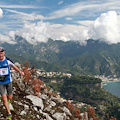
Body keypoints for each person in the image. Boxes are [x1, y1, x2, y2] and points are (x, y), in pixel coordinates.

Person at [0, 47, 24, 120]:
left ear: (4, 52)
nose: (0, 54)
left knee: (10, 97)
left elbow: (14, 66)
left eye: (1, 52)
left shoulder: (8, 60)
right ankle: (9, 113)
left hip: (8, 81)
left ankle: (7, 102)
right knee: (4, 98)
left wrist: (20, 71)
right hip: (0, 82)